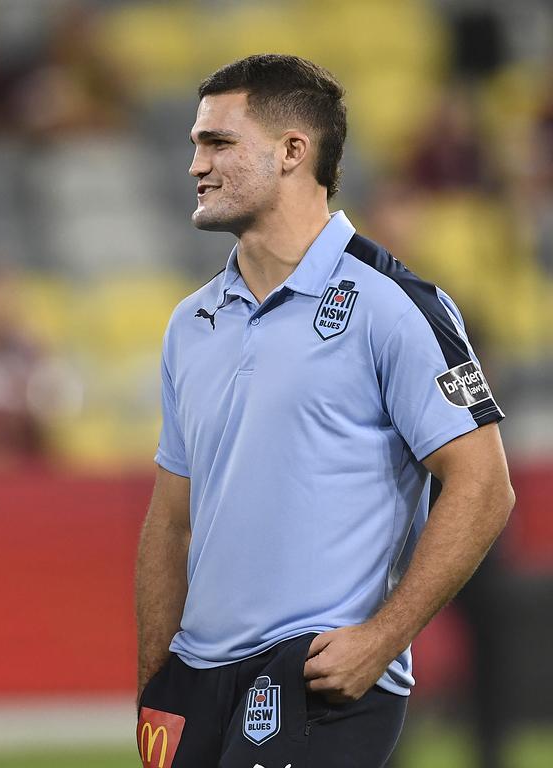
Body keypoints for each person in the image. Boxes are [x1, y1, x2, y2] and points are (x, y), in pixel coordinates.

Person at [135, 54, 514, 768]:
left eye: (217, 142)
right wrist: (156, 677)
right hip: (196, 683)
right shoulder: (191, 322)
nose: (195, 164)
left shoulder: (394, 305)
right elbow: (169, 518)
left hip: (315, 681)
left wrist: (382, 639)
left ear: (291, 152)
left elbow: (485, 485)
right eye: (196, 143)